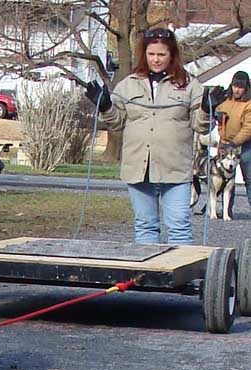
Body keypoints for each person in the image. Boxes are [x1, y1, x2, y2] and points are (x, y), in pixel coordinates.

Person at [85, 28, 217, 245]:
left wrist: (205, 109)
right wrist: (106, 106)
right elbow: (116, 123)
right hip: (139, 168)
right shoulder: (128, 85)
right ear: (144, 54)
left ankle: (179, 277)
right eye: (151, 54)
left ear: (172, 55)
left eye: (162, 54)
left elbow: (200, 126)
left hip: (174, 169)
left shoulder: (190, 85)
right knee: (146, 226)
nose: (156, 59)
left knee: (179, 226)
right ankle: (147, 277)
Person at [215, 70, 251, 213]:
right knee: (225, 178)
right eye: (235, 86)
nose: (237, 89)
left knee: (249, 178)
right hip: (226, 143)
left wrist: (234, 143)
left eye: (240, 87)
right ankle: (226, 210)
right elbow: (218, 119)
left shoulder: (248, 104)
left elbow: (248, 128)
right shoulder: (225, 100)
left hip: (246, 145)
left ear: (246, 87)